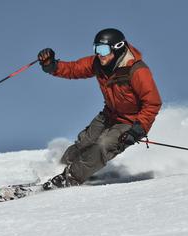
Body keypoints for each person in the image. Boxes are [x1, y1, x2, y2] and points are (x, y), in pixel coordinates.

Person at [38, 28, 162, 190]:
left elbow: (152, 102)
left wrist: (139, 128)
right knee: (84, 142)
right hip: (109, 115)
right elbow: (75, 68)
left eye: (103, 49)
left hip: (130, 122)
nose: (99, 54)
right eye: (96, 49)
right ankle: (55, 171)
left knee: (103, 145)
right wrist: (52, 66)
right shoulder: (98, 63)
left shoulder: (137, 71)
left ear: (117, 48)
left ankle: (70, 178)